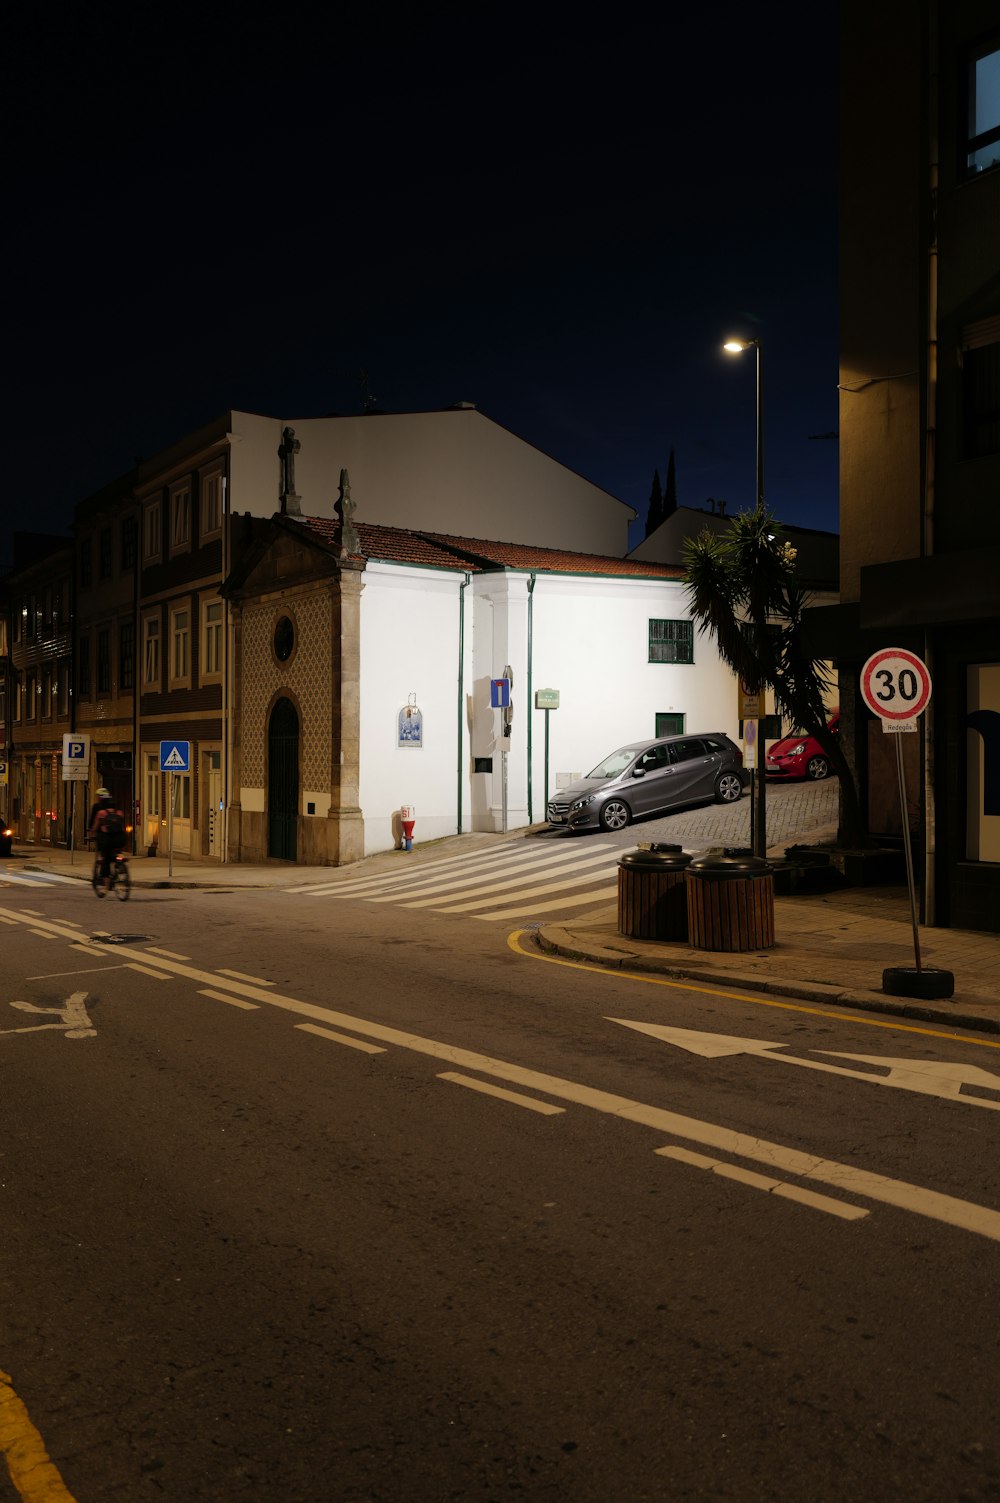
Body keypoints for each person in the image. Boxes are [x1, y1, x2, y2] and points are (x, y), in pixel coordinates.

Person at [88, 787, 126, 895]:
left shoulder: (100, 813)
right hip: (120, 839)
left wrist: (91, 834)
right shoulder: (119, 812)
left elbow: (95, 827)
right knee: (117, 854)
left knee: (105, 861)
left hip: (107, 840)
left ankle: (106, 886)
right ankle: (120, 865)